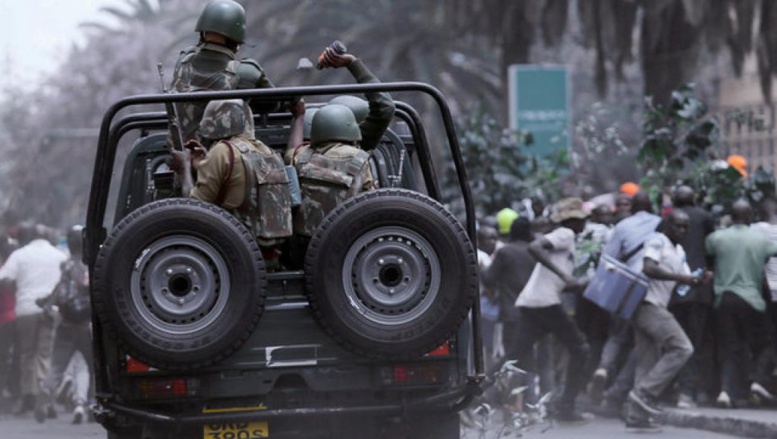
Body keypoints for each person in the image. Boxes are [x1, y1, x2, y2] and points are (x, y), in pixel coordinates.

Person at [171, 99, 293, 255]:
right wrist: (205, 162)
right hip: (270, 250)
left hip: (235, 250)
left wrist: (184, 169)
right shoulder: (267, 151)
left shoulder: (222, 151)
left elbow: (195, 206)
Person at [508, 198, 591, 422]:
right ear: (572, 221)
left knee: (514, 356)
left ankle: (478, 394)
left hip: (534, 301)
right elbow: (534, 247)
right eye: (581, 220)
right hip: (544, 302)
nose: (584, 224)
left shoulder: (570, 241)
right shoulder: (566, 234)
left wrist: (574, 282)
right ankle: (566, 406)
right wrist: (563, 275)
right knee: (580, 347)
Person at [623, 210, 700, 431]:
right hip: (647, 304)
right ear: (667, 225)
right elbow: (649, 267)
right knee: (682, 348)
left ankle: (636, 418)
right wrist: (682, 278)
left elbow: (683, 284)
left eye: (686, 227)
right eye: (678, 226)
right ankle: (643, 393)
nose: (682, 231)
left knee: (647, 360)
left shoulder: (679, 251)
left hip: (656, 305)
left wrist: (697, 280)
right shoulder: (658, 240)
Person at [170, 0, 274, 145]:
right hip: (222, 162)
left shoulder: (183, 60)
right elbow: (273, 104)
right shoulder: (245, 72)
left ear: (203, 32)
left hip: (181, 156)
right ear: (237, 39)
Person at [706, 199, 777, 408]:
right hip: (751, 300)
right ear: (749, 216)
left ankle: (725, 391)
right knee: (764, 343)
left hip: (723, 299)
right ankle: (756, 381)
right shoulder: (759, 241)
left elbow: (708, 254)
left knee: (729, 347)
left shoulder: (716, 238)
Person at [0, 223, 67, 419]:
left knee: (27, 354)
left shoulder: (20, 255)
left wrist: (15, 286)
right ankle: (44, 392)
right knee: (44, 355)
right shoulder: (59, 255)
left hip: (26, 310)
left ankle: (29, 394)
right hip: (50, 311)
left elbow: (4, 277)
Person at [37, 225, 93, 424]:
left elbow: (57, 292)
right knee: (93, 366)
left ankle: (46, 391)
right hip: (87, 325)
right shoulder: (92, 265)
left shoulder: (66, 266)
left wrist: (45, 304)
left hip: (66, 324)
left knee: (57, 366)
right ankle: (91, 404)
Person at [668, 185, 716, 408]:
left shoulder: (667, 220)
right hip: (701, 288)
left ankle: (683, 391)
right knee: (697, 341)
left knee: (679, 342)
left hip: (675, 289)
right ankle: (698, 391)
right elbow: (712, 249)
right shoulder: (706, 218)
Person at [480, 217, 536, 410]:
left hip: (510, 313)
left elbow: (489, 280)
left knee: (511, 358)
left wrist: (478, 262)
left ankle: (484, 390)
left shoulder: (505, 252)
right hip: (532, 314)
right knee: (527, 358)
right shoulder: (535, 251)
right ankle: (530, 403)